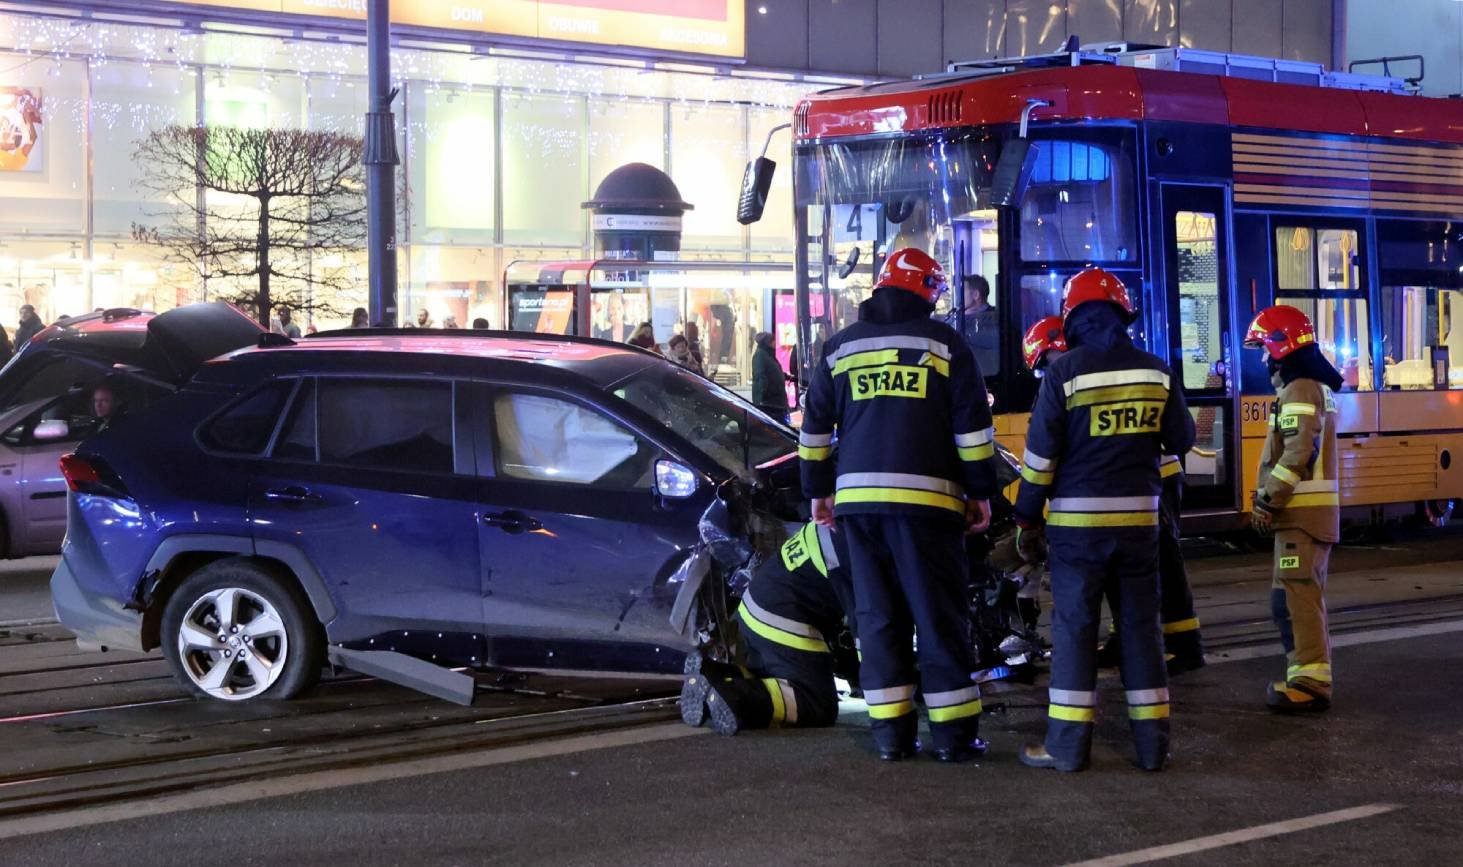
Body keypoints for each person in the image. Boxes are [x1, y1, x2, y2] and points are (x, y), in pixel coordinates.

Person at [801, 247, 998, 763]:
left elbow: (814, 430)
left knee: (878, 617)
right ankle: (954, 738)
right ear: (926, 292)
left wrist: (819, 490)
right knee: (938, 618)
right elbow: (974, 434)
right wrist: (981, 493)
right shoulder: (946, 345)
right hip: (928, 508)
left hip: (858, 509)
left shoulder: (839, 348)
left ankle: (891, 737)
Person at [1013, 268, 1194, 773]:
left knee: (1074, 631)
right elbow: (1181, 439)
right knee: (1141, 632)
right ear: (1121, 313)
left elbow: (1041, 458)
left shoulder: (1063, 373)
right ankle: (1153, 748)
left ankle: (1068, 748)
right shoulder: (1155, 372)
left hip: (1077, 532)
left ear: (1073, 318)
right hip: (1140, 526)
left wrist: (1026, 515)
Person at [1244, 305, 1342, 714]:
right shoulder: (1309, 386)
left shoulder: (1301, 387)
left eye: (1265, 349)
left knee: (1298, 599)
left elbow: (1297, 453)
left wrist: (1268, 499)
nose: (1264, 358)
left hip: (1301, 515)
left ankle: (1310, 683)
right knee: (1290, 598)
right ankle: (1303, 673)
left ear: (1282, 346)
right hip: (1302, 516)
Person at [680, 521, 856, 734]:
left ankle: (714, 676)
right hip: (786, 612)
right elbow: (874, 628)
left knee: (776, 679)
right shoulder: (866, 541)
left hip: (763, 601)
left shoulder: (846, 518)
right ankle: (733, 694)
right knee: (816, 703)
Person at [952, 274, 1000, 378]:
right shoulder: (956, 317)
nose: (958, 296)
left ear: (976, 295)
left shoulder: (995, 318)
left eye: (963, 291)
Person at [750, 331, 788, 422]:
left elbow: (773, 372)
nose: (776, 343)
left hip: (776, 403)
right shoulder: (760, 355)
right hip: (769, 404)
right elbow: (760, 377)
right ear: (768, 342)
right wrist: (761, 401)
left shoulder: (768, 355)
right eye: (774, 340)